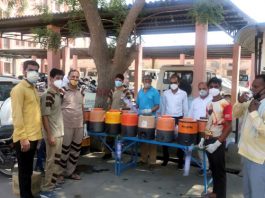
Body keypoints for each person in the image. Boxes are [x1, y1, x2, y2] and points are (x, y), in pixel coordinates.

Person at [11, 60, 42, 198]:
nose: (34, 73)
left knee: (29, 169)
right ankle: (25, 195)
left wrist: (39, 137)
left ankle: (28, 194)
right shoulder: (18, 90)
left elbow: (34, 114)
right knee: (24, 171)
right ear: (24, 71)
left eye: (36, 70)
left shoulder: (33, 89)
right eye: (30, 70)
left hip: (34, 137)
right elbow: (17, 116)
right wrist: (23, 138)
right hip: (25, 138)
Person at [198, 77, 232, 198]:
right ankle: (215, 193)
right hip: (208, 139)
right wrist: (203, 139)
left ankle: (221, 195)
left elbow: (229, 127)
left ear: (220, 88)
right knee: (213, 168)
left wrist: (217, 143)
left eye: (216, 87)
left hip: (218, 140)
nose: (213, 89)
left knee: (220, 171)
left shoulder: (226, 104)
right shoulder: (209, 104)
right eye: (211, 87)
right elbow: (208, 122)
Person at [233, 75, 265, 198]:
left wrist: (254, 113)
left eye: (256, 87)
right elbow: (236, 113)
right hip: (246, 154)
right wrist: (240, 102)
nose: (253, 89)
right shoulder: (252, 101)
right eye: (252, 86)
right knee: (247, 192)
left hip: (259, 158)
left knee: (258, 193)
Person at [40, 68, 64, 196]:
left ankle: (52, 184)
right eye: (57, 78)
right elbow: (44, 116)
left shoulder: (58, 93)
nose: (59, 80)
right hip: (53, 134)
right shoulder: (47, 95)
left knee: (57, 160)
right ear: (51, 79)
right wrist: (50, 135)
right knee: (51, 161)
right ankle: (46, 189)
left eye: (61, 78)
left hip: (59, 132)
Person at [102, 74, 134, 159]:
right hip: (111, 117)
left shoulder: (126, 91)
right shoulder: (112, 90)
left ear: (122, 81)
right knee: (109, 135)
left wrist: (123, 109)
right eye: (116, 80)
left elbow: (130, 104)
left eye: (119, 80)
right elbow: (109, 102)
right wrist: (107, 113)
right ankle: (107, 153)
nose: (117, 82)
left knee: (120, 136)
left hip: (121, 117)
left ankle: (118, 154)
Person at [59, 69, 84, 180]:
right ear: (68, 78)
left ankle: (70, 172)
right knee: (64, 150)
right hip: (66, 124)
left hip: (79, 125)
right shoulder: (62, 90)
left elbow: (82, 106)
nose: (74, 79)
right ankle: (60, 173)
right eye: (72, 76)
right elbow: (57, 107)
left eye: (76, 77)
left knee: (76, 150)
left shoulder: (81, 91)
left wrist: (85, 123)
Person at [160, 74, 188, 169]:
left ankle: (180, 162)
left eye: (175, 82)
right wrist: (162, 118)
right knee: (165, 139)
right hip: (167, 118)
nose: (173, 84)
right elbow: (163, 106)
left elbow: (185, 108)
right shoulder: (166, 93)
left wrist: (185, 120)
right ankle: (165, 159)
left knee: (180, 140)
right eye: (171, 83)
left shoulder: (183, 94)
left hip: (179, 118)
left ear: (178, 83)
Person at [188, 82, 212, 175]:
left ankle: (211, 168)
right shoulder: (195, 101)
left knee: (209, 148)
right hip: (197, 128)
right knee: (200, 148)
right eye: (200, 89)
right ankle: (205, 168)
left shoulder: (212, 100)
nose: (202, 90)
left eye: (204, 88)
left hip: (209, 129)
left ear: (208, 89)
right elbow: (190, 115)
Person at [136, 75, 160, 169]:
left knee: (152, 139)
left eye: (149, 80)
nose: (147, 82)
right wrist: (135, 109)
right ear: (142, 81)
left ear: (151, 82)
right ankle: (143, 159)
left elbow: (157, 105)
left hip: (151, 118)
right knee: (143, 138)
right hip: (141, 118)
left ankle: (153, 162)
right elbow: (137, 104)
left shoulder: (155, 92)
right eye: (145, 80)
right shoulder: (140, 92)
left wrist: (150, 110)